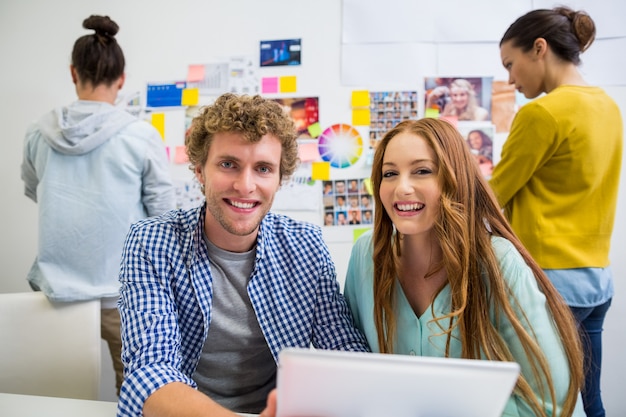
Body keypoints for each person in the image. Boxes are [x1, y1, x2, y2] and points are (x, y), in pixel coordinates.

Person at [117, 93, 369, 417]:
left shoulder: (306, 245)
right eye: (228, 164)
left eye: (263, 168)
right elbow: (149, 374)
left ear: (280, 179)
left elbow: (343, 351)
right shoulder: (151, 242)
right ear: (199, 171)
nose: (245, 185)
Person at [343, 119, 585, 417]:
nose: (401, 187)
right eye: (389, 174)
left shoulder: (498, 261)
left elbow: (552, 401)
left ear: (454, 179)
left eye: (422, 171)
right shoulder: (366, 255)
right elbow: (355, 371)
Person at [20, 15, 175, 395]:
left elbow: (35, 190)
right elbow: (164, 216)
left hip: (55, 295)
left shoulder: (37, 132)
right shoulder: (140, 135)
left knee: (55, 394)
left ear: (74, 73)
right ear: (121, 79)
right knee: (139, 391)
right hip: (124, 295)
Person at [490, 7, 623, 417]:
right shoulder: (609, 107)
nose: (510, 79)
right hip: (597, 279)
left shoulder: (541, 113)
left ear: (540, 48)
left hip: (549, 283)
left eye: (511, 64)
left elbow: (491, 196)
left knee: (546, 406)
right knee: (590, 402)